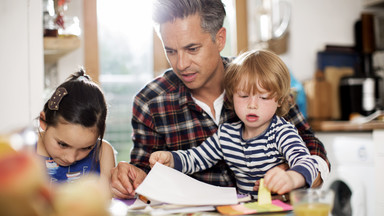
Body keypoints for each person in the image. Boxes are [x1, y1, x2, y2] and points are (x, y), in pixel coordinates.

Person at [110, 0, 330, 199]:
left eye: (192, 48)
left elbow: (312, 149)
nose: (181, 64)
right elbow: (148, 171)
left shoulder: (260, 81)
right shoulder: (149, 101)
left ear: (220, 39)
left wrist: (292, 175)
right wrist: (132, 177)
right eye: (171, 51)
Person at [149, 49, 319, 196]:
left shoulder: (283, 132)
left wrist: (291, 177)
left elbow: (307, 162)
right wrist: (170, 159)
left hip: (281, 209)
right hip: (243, 210)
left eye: (264, 97)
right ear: (231, 97)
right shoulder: (226, 135)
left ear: (280, 100)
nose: (252, 104)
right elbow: (196, 159)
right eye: (244, 96)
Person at [37, 69, 116, 185]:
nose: (71, 158)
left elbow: (106, 200)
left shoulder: (103, 153)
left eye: (86, 148)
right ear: (44, 121)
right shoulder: (25, 151)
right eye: (63, 144)